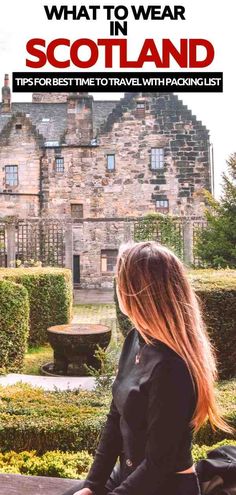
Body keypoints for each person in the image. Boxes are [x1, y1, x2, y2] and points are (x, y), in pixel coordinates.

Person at [62, 241, 234, 495]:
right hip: (129, 478)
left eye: (119, 282)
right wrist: (92, 486)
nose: (117, 288)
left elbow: (158, 465)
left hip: (166, 486)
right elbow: (115, 419)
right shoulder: (135, 338)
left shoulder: (172, 367)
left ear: (136, 292)